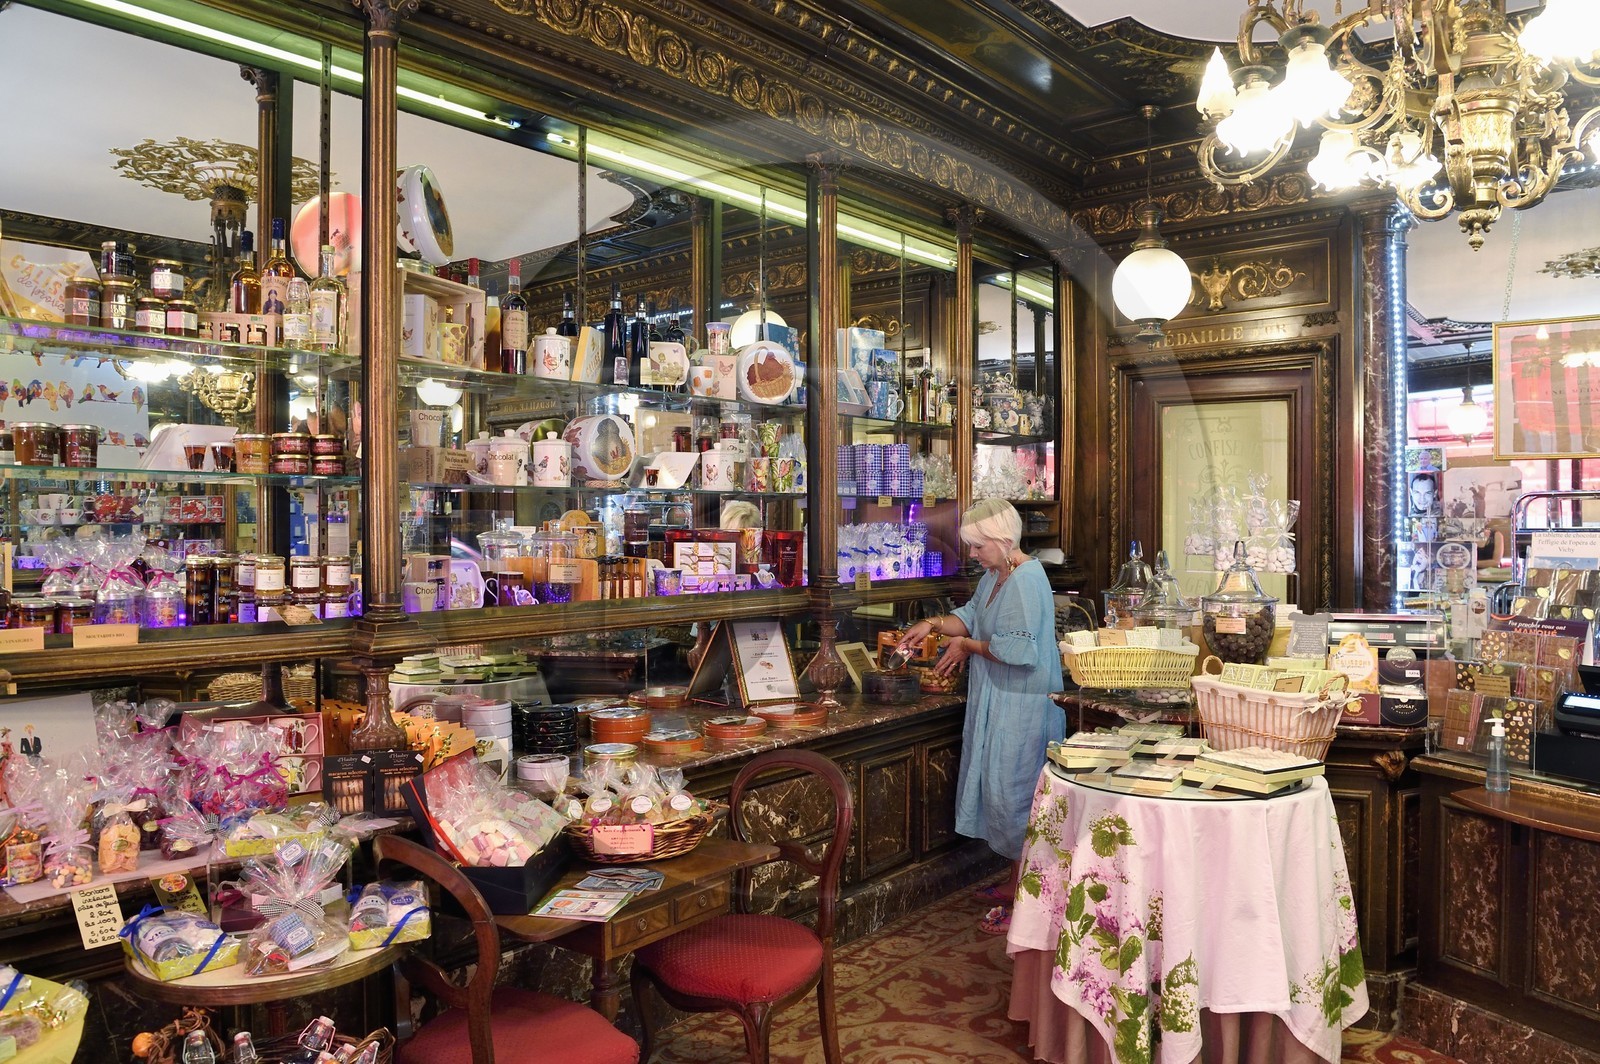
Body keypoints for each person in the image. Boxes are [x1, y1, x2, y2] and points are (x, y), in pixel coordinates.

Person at [895, 498, 1063, 936]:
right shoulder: (997, 574)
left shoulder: (1026, 580)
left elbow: (1019, 650)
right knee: (1004, 795)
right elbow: (971, 616)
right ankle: (1015, 882)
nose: (972, 554)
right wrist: (933, 625)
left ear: (1003, 540)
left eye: (977, 546)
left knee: (1019, 799)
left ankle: (1029, 904)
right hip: (1000, 701)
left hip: (1023, 705)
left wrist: (967, 648)